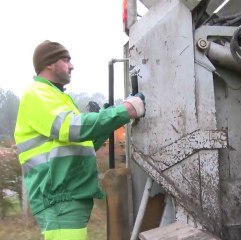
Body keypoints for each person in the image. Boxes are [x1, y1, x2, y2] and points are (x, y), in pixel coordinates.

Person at [14, 40, 145, 240]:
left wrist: (111, 117)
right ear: (48, 63)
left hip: (68, 194)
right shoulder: (37, 93)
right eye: (65, 60)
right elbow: (71, 127)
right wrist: (124, 111)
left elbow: (83, 144)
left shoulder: (57, 96)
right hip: (59, 196)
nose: (72, 65)